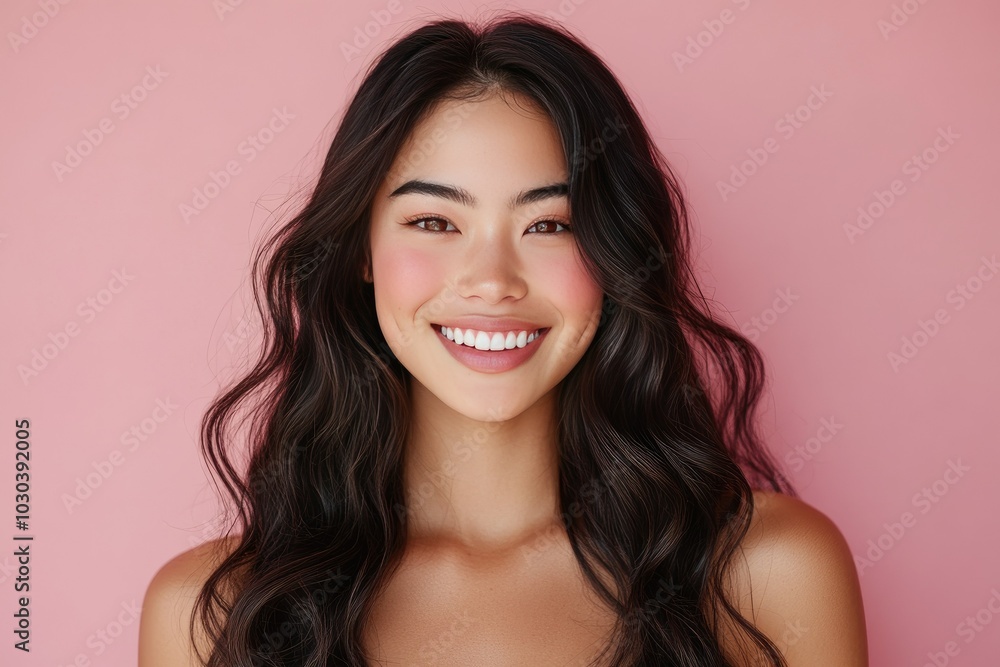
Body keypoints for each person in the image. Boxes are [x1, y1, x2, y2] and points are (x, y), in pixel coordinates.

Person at [138, 12, 867, 666]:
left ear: (614, 257)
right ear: (361, 251)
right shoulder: (208, 614)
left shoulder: (769, 572)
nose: (492, 281)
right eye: (435, 223)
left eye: (550, 225)